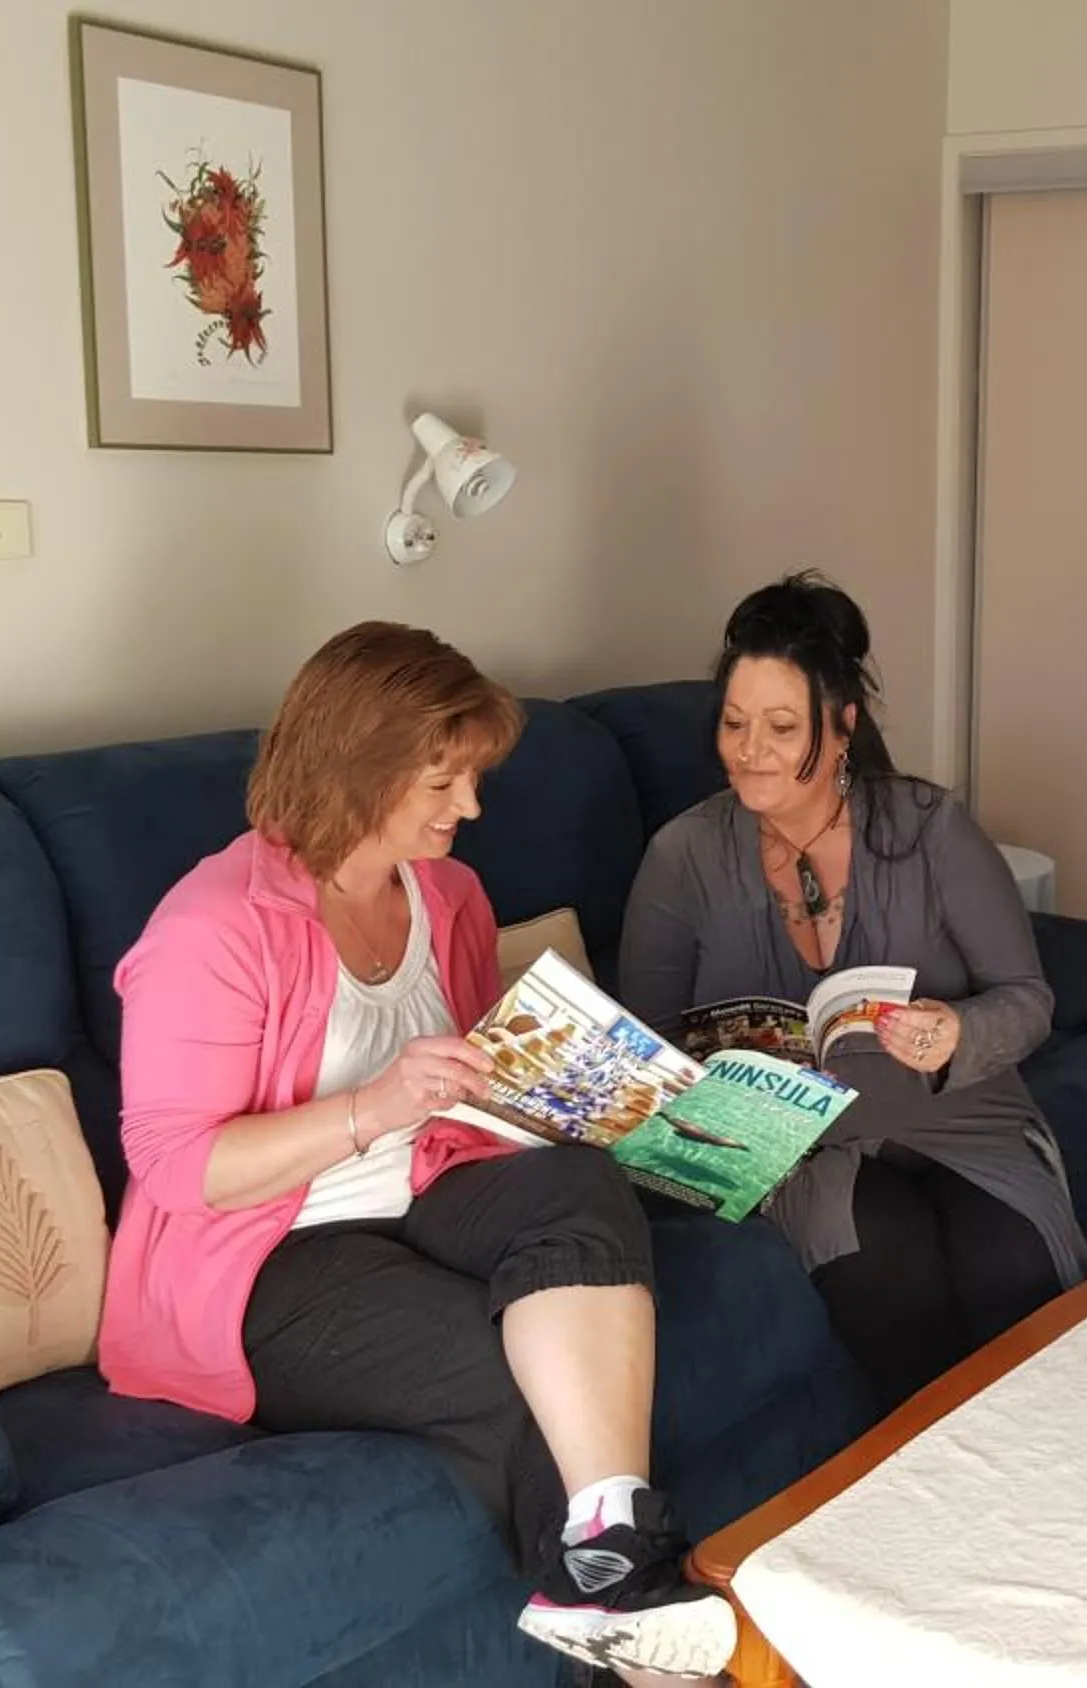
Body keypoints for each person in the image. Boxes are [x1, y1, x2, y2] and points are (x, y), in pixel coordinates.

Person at [97, 622, 732, 1680]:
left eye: (473, 778)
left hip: (427, 1182)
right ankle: (632, 1637)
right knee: (518, 1375)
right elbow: (178, 1169)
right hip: (268, 1248)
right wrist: (373, 1103)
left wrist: (586, 1097)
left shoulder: (448, 896)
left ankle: (613, 1546)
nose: (471, 807)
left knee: (576, 1185)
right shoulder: (215, 926)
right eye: (447, 781)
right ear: (358, 766)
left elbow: (470, 1080)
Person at [618, 575, 1087, 1409]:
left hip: (959, 1116)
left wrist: (957, 1029)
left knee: (1014, 1265)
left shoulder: (928, 830)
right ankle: (926, 1494)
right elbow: (650, 1057)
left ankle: (1050, 1483)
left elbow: (1026, 995)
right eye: (733, 724)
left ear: (844, 728)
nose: (750, 751)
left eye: (781, 727)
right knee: (889, 1267)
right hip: (797, 1146)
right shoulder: (682, 856)